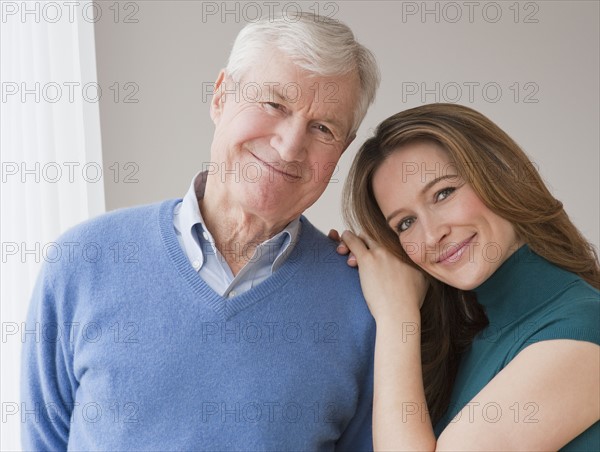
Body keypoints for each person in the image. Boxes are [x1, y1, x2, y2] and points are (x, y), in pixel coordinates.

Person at [21, 12, 381, 450]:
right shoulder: (84, 260)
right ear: (220, 97)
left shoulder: (363, 304)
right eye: (274, 104)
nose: (290, 145)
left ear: (341, 150)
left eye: (323, 128)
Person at [332, 103, 600, 450]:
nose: (431, 236)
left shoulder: (583, 329)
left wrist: (397, 316)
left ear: (499, 173)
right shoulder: (466, 344)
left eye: (443, 193)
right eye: (405, 223)